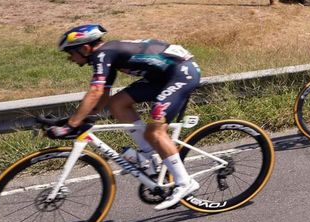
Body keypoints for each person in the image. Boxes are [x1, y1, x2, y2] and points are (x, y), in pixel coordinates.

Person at [52, 24, 203, 210]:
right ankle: (150, 156)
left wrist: (71, 124)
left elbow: (95, 91)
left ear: (84, 48)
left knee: (155, 132)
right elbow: (103, 96)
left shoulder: (103, 54)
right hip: (163, 78)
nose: (70, 59)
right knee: (117, 104)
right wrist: (83, 119)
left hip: (181, 74)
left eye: (70, 53)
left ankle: (184, 182)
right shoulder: (107, 56)